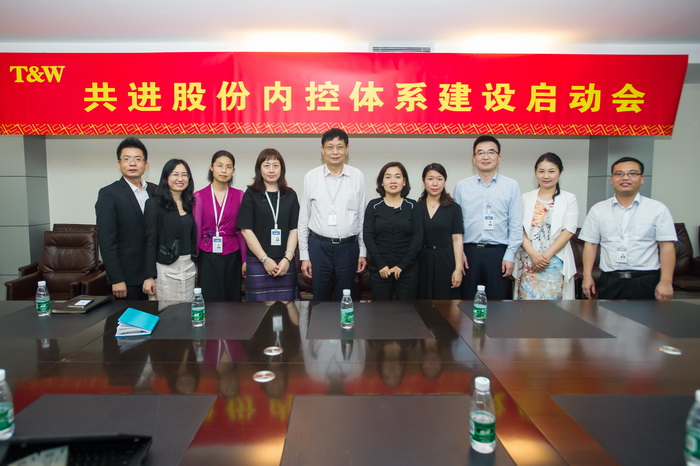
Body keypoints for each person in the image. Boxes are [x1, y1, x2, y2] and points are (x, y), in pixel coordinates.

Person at [579, 157, 677, 300]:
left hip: (645, 279)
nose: (625, 178)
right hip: (610, 280)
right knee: (606, 315)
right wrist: (587, 276)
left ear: (641, 179)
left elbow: (667, 246)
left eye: (632, 173)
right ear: (612, 179)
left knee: (648, 315)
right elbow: (591, 244)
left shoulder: (657, 209)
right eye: (619, 174)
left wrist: (666, 282)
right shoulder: (598, 209)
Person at [298, 128, 367, 301]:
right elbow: (304, 218)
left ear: (347, 149)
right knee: (320, 296)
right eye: (330, 147)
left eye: (339, 147)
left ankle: (346, 320)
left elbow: (362, 217)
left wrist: (362, 251)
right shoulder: (311, 177)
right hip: (319, 246)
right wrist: (304, 256)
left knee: (347, 296)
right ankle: (320, 321)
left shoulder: (357, 176)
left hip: (348, 247)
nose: (335, 152)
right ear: (322, 150)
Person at [454, 135, 523, 300]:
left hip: (498, 254)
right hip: (469, 254)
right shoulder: (462, 186)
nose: (485, 157)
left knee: (497, 304)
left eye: (491, 152)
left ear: (499, 158)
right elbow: (456, 225)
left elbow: (515, 223)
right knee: (467, 303)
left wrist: (510, 255)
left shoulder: (511, 186)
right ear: (474, 159)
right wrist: (460, 254)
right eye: (480, 153)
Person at [95, 136, 157, 300]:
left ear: (145, 164)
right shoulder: (109, 194)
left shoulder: (156, 191)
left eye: (138, 159)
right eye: (127, 159)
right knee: (129, 316)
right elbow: (107, 240)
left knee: (158, 315)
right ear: (119, 164)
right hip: (127, 278)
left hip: (155, 274)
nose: (132, 163)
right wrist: (116, 278)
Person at [513, 153, 578, 300]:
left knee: (555, 307)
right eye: (541, 171)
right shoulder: (526, 198)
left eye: (551, 171)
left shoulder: (569, 198)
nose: (546, 176)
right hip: (529, 260)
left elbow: (569, 230)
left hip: (555, 262)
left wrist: (545, 257)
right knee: (526, 307)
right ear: (535, 172)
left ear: (560, 172)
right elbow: (518, 228)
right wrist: (533, 254)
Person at [239, 148, 300, 302]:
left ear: (282, 169)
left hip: (285, 262)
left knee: (287, 309)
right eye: (266, 166)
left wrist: (287, 259)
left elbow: (295, 229)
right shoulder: (251, 194)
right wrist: (265, 259)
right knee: (257, 311)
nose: (271, 170)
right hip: (258, 262)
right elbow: (246, 230)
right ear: (259, 169)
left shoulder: (290, 195)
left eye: (275, 165)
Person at [364, 162, 423, 300]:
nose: (393, 181)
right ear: (382, 182)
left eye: (397, 177)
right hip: (380, 269)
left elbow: (417, 238)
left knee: (407, 310)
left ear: (404, 181)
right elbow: (368, 236)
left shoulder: (412, 206)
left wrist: (402, 266)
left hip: (407, 270)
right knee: (380, 310)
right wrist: (381, 265)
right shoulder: (373, 205)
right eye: (388, 177)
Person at [192, 150, 246, 301]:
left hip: (232, 254)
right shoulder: (199, 196)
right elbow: (196, 231)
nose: (224, 170)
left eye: (228, 167)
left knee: (232, 299)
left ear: (233, 170)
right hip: (207, 254)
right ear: (211, 167)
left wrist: (244, 260)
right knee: (210, 299)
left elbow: (242, 232)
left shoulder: (239, 195)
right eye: (219, 166)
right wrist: (195, 262)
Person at [142, 159, 198, 301]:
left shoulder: (189, 203)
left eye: (184, 175)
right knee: (167, 311)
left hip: (188, 267)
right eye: (175, 174)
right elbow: (150, 241)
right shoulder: (154, 203)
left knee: (187, 310)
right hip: (165, 268)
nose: (180, 179)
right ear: (166, 177)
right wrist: (149, 276)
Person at [417, 163, 464, 300]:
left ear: (445, 181)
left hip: (446, 260)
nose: (435, 183)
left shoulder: (454, 208)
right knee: (422, 303)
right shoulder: (416, 207)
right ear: (423, 181)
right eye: (430, 179)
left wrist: (458, 269)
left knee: (446, 303)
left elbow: (457, 239)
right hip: (422, 260)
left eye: (439, 179)